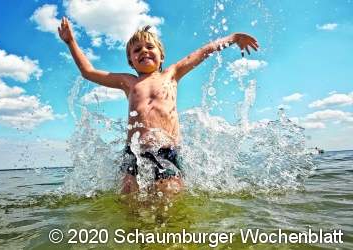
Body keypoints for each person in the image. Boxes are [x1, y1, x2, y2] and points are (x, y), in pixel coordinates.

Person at [58, 17, 259, 195]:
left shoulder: (171, 74)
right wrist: (71, 42)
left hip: (167, 151)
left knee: (170, 196)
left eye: (149, 47)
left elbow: (202, 52)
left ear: (161, 56)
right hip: (134, 152)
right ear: (131, 62)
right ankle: (136, 235)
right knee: (129, 196)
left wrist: (233, 38)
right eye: (137, 50)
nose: (144, 51)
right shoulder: (128, 82)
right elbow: (88, 71)